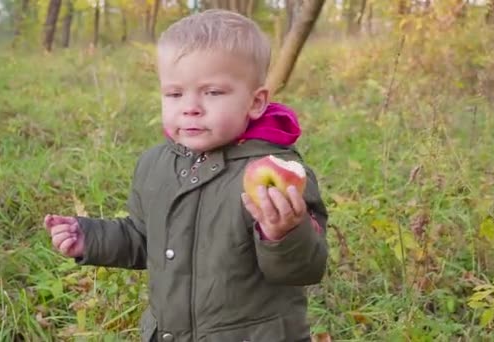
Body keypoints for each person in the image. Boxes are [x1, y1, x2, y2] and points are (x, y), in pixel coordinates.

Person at [44, 9, 328, 342]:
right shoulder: (155, 165)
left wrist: (283, 233)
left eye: (212, 92)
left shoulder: (275, 173)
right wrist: (90, 238)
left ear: (255, 102)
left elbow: (304, 269)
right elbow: (142, 238)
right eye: (175, 94)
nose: (190, 107)